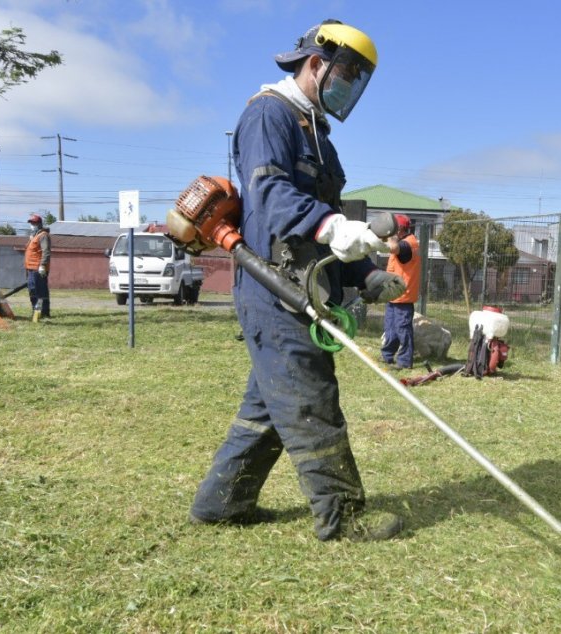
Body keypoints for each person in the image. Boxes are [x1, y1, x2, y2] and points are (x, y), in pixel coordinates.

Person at [190, 19, 407, 542]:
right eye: (345, 74)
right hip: (274, 289)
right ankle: (343, 517)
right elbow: (271, 199)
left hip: (309, 284)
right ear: (316, 63)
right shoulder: (269, 115)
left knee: (267, 409)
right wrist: (332, 225)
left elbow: (330, 223)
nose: (349, 87)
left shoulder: (319, 134)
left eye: (358, 79)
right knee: (311, 401)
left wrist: (367, 273)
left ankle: (221, 504)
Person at [381, 214, 422, 369]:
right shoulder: (404, 241)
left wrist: (388, 236)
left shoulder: (408, 244)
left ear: (399, 229)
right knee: (390, 328)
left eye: (391, 228)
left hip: (403, 296)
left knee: (402, 329)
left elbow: (393, 247)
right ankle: (387, 356)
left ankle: (404, 361)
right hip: (394, 294)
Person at [24, 214, 51, 322]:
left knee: (40, 291)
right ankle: (36, 311)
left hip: (38, 268)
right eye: (31, 223)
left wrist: (43, 265)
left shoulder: (43, 235)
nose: (32, 225)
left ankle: (42, 312)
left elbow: (46, 251)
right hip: (31, 268)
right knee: (33, 290)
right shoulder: (34, 235)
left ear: (39, 224)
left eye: (34, 223)